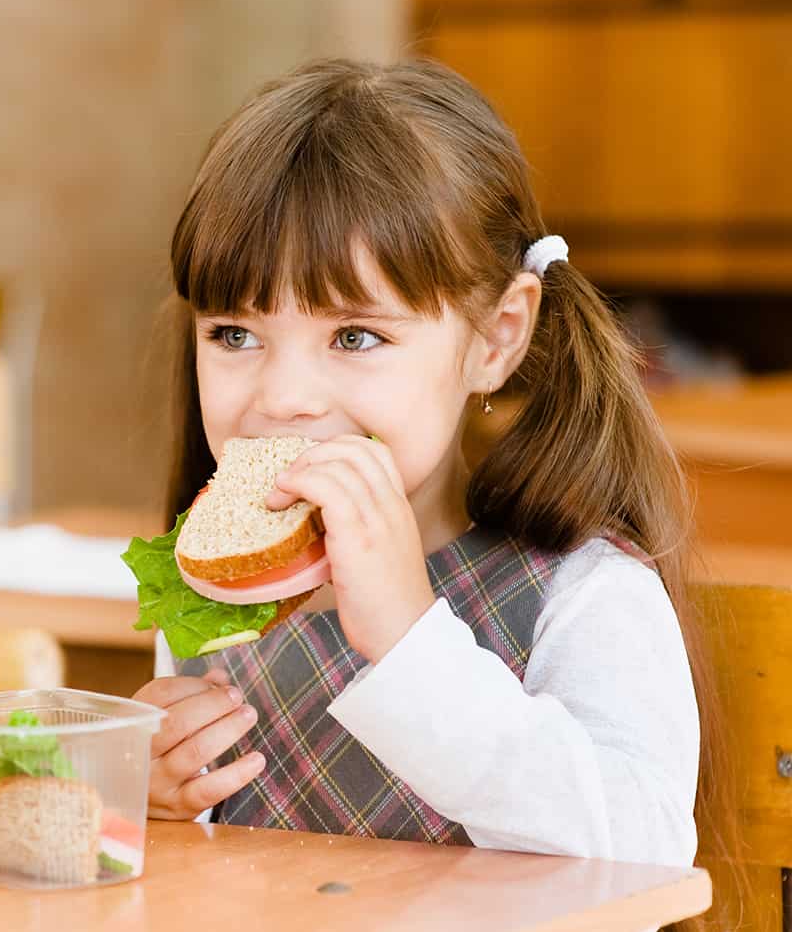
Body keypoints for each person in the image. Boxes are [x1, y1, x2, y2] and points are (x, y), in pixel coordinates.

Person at [130, 57, 739, 896]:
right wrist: (160, 801)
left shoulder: (583, 592)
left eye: (354, 337)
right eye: (234, 334)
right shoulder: (220, 599)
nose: (281, 398)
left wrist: (412, 640)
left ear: (495, 338)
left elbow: (645, 854)